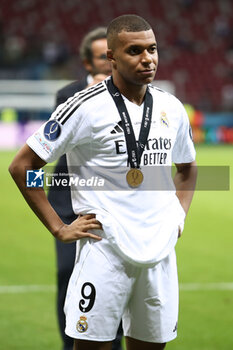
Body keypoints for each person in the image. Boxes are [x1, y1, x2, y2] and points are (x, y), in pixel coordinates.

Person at [9, 14, 197, 350]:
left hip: (159, 254)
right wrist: (58, 226)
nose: (148, 59)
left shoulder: (172, 107)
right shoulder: (82, 107)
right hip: (104, 251)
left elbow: (187, 167)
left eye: (152, 49)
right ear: (111, 57)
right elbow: (24, 166)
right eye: (135, 51)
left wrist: (179, 215)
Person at [47, 26, 122, 350]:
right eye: (101, 56)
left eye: (112, 55)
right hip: (70, 199)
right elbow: (59, 152)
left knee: (118, 277)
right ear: (87, 63)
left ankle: (113, 342)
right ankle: (71, 343)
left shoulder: (132, 95)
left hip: (114, 202)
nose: (108, 62)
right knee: (68, 271)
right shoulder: (69, 96)